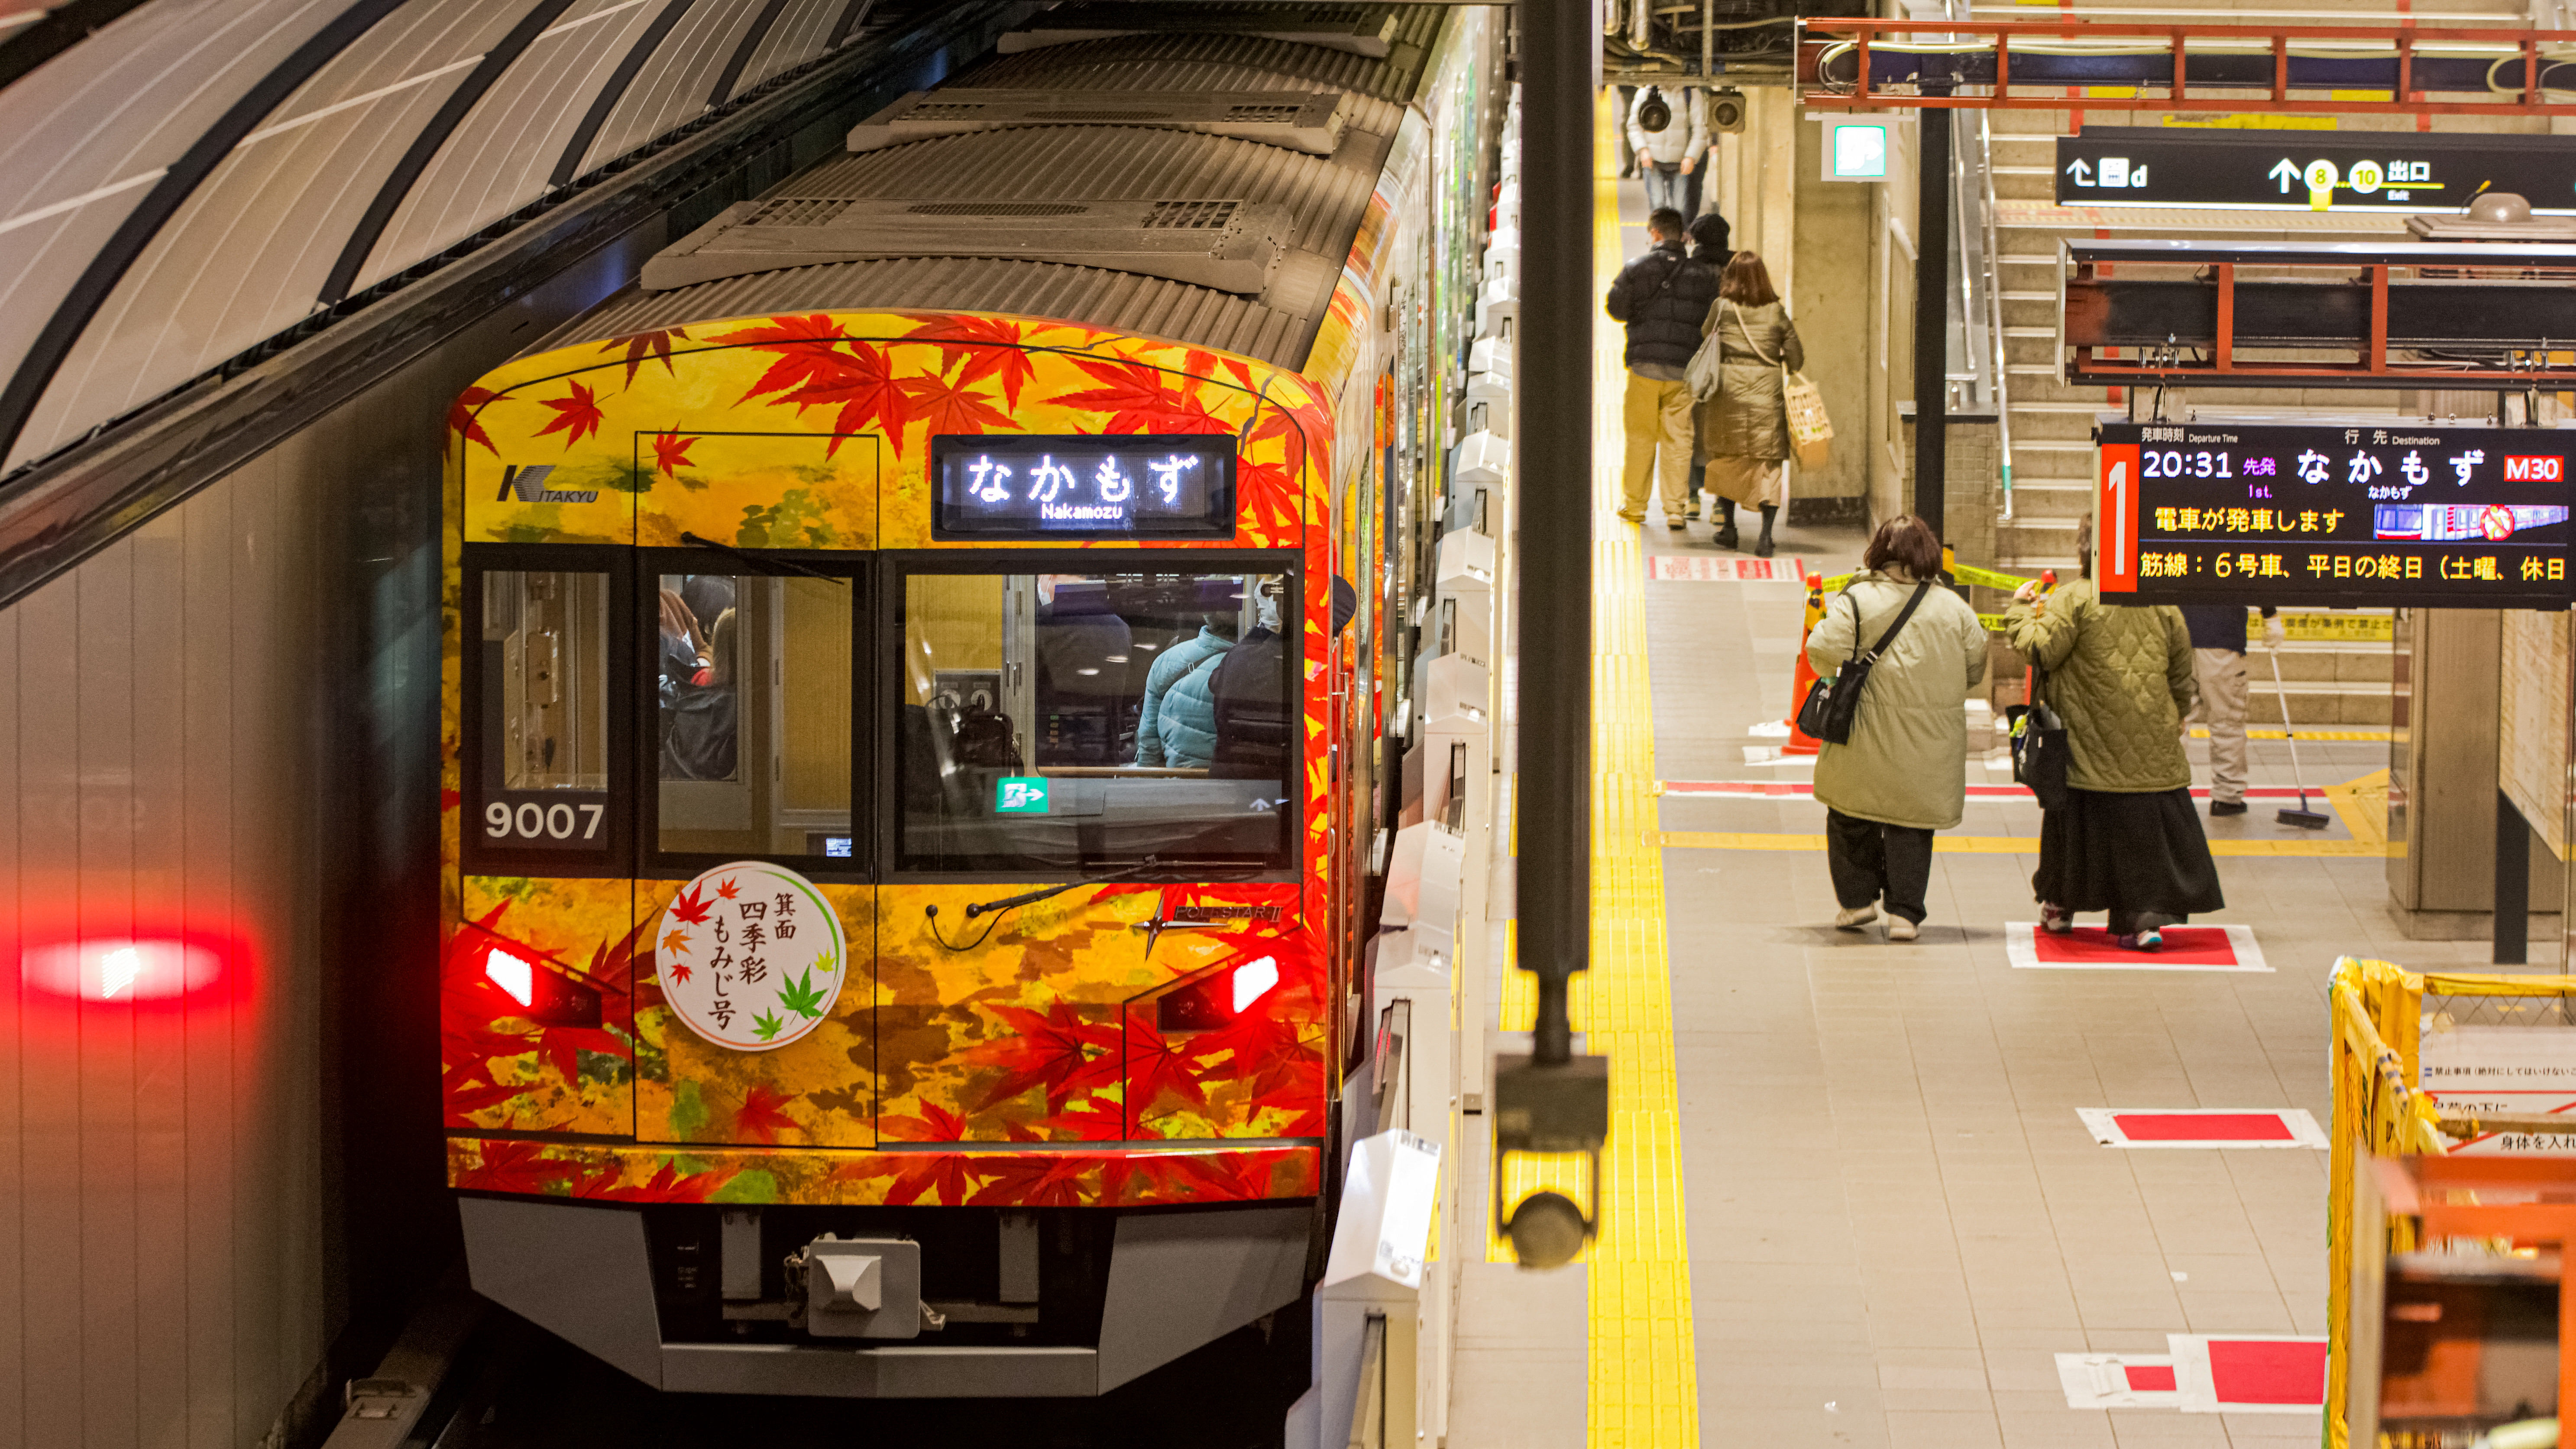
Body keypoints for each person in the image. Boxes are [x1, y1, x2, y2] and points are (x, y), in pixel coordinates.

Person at [2006, 515, 2224, 950]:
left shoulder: (2073, 599)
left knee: (2072, 827)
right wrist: (2174, 715)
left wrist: (2017, 609)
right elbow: (2183, 674)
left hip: (2084, 747)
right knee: (2139, 834)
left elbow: (2040, 651)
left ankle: (2060, 906)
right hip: (2149, 747)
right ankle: (2141, 920)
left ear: (2084, 551)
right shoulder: (2160, 601)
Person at [1808, 515, 1989, 942]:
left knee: (1850, 815)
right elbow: (1975, 668)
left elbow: (1819, 651)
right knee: (1911, 825)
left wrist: (1837, 671)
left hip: (1862, 737)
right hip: (1929, 741)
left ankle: (1856, 904)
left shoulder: (1856, 601)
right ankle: (1905, 916)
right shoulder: (1955, 610)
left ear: (1878, 554)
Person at [1604, 208, 1720, 528]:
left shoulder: (1637, 268)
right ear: (1681, 235)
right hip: (1683, 370)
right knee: (1678, 439)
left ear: (1655, 233)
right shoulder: (1702, 275)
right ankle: (1675, 509)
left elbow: (1615, 308)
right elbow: (1712, 318)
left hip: (1644, 366)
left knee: (1640, 436)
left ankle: (1636, 506)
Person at [1696, 251, 1804, 558]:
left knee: (1728, 459)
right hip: (1765, 398)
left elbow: (1706, 336)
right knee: (1767, 464)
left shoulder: (1722, 308)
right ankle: (1766, 537)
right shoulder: (1776, 312)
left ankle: (1729, 529)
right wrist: (1778, 358)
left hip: (1727, 395)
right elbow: (1797, 358)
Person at [2176, 603, 2282, 817]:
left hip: (2176, 635)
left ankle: (2170, 791)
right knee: (2226, 722)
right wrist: (2270, 614)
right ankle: (2227, 798)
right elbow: (2252, 573)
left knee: (2176, 721)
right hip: (2222, 637)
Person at [1680, 210, 1733, 520]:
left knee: (1691, 428)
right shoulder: (1739, 269)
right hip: (1730, 363)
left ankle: (1691, 497)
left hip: (1693, 361)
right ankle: (1720, 504)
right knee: (1723, 433)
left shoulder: (1687, 269)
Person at [1136, 614, 1236, 767]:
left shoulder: (1165, 661)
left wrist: (1145, 786)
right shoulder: (1257, 665)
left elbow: (1149, 743)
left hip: (1177, 785)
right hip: (1237, 786)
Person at [1626, 85, 1709, 221]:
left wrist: (1691, 157)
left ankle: (1676, 240)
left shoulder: (1691, 93)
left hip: (1680, 163)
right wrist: (1643, 150)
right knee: (1657, 208)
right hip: (1653, 162)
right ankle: (1660, 240)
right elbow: (1634, 126)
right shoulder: (1646, 92)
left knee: (1680, 210)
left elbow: (1701, 129)